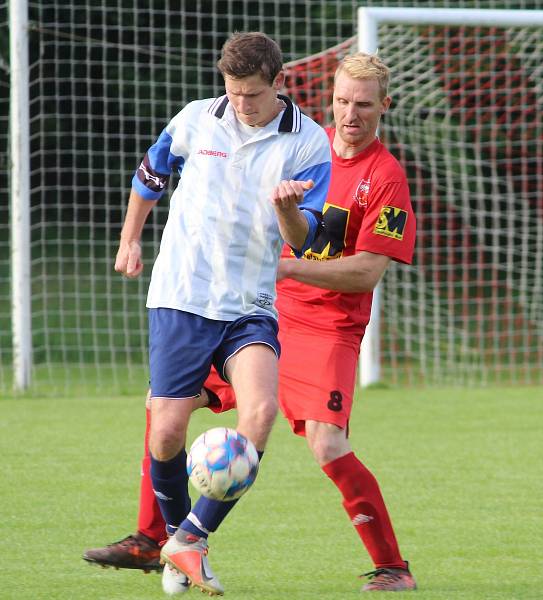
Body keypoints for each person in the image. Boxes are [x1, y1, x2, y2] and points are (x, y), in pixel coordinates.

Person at [85, 52, 418, 593]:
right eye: (341, 102)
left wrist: (279, 263)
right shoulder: (297, 146)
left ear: (385, 106)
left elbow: (365, 274)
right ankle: (157, 537)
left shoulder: (384, 178)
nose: (350, 115)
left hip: (326, 327)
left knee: (327, 445)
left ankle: (393, 567)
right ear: (329, 98)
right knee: (164, 405)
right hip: (256, 308)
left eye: (363, 105)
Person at [107, 31, 332, 596]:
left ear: (277, 84)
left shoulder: (308, 144)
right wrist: (130, 238)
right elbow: (150, 176)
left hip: (249, 303)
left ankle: (190, 537)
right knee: (165, 434)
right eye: (232, 92)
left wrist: (286, 212)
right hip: (181, 294)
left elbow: (306, 241)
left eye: (252, 94)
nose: (240, 104)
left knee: (260, 414)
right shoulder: (194, 120)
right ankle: (180, 543)